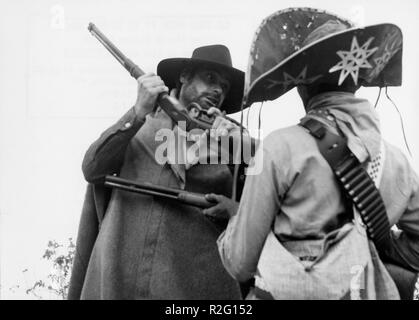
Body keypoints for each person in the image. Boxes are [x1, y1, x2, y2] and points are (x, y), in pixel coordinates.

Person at [218, 8, 419, 299]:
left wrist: (236, 224)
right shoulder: (397, 162)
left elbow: (239, 264)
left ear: (302, 86)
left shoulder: (280, 146)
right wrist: (371, 245)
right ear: (358, 82)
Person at [68, 44, 249, 299]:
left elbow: (258, 208)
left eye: (225, 86)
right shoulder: (140, 124)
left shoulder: (233, 140)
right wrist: (137, 111)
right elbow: (92, 168)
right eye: (210, 78)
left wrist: (235, 200)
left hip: (196, 282)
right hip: (121, 275)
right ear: (184, 76)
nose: (218, 90)